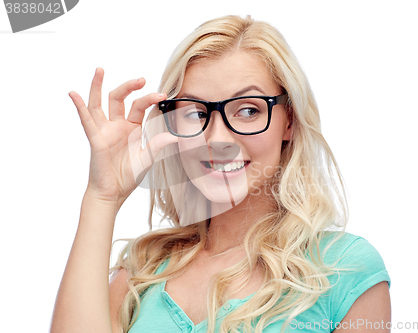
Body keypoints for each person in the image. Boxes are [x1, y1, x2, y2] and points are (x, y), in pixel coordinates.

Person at [51, 15, 391, 333]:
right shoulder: (142, 272)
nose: (217, 139)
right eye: (196, 113)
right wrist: (102, 197)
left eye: (247, 110)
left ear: (289, 120)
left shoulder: (345, 270)